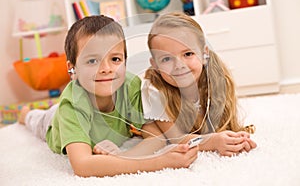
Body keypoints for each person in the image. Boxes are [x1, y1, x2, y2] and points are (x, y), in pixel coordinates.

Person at [18, 15, 198, 177]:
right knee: (37, 119)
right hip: (53, 120)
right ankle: (25, 114)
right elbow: (82, 166)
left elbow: (156, 138)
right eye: (92, 61)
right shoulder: (71, 105)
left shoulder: (130, 86)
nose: (106, 68)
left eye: (115, 59)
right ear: (72, 69)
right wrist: (158, 162)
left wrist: (121, 157)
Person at [141, 12, 257, 157]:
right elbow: (177, 139)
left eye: (188, 54)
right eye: (166, 59)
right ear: (155, 64)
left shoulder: (218, 78)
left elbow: (220, 126)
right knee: (154, 137)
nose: (179, 65)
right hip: (144, 124)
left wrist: (234, 139)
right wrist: (213, 141)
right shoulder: (153, 90)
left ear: (204, 54)